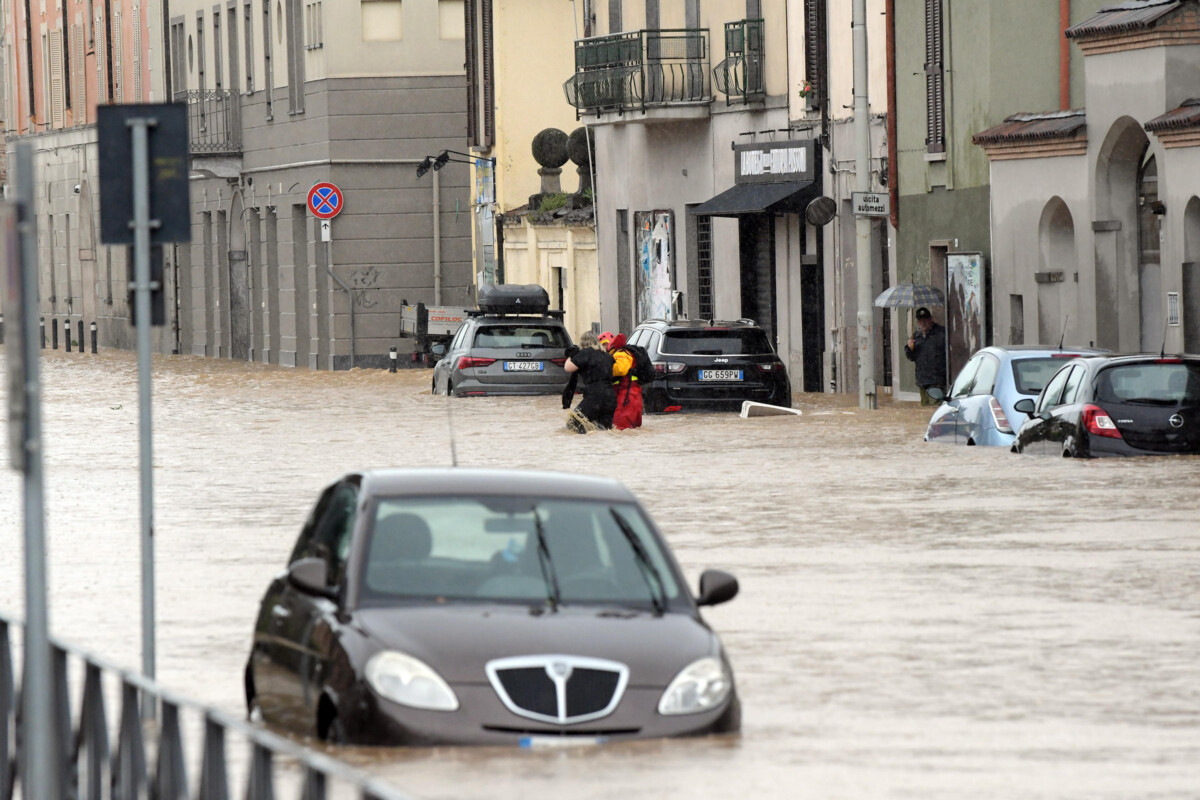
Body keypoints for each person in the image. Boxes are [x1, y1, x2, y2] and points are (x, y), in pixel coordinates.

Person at [562, 331, 617, 433]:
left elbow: (568, 368)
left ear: (582, 343)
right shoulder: (607, 355)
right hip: (610, 398)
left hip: (594, 397)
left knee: (573, 424)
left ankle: (585, 447)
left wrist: (571, 356)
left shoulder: (585, 353)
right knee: (604, 430)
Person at [904, 306, 947, 405]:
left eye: (926, 319)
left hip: (936, 381)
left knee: (935, 407)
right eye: (920, 320)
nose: (923, 322)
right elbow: (911, 357)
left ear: (931, 319)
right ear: (917, 322)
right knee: (925, 408)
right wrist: (909, 348)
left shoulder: (941, 333)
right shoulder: (916, 336)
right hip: (922, 381)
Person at [606, 333, 645, 430]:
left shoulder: (621, 353)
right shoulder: (627, 352)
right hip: (633, 396)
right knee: (631, 430)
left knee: (620, 428)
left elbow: (621, 370)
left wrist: (606, 370)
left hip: (626, 397)